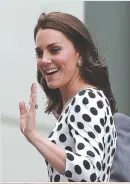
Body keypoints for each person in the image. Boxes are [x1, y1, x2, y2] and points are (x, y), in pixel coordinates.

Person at [19, 12, 117, 182]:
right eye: (39, 53)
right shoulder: (75, 104)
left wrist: (33, 136)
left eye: (54, 50)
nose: (44, 60)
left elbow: (89, 172)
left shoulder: (87, 99)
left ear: (79, 53)